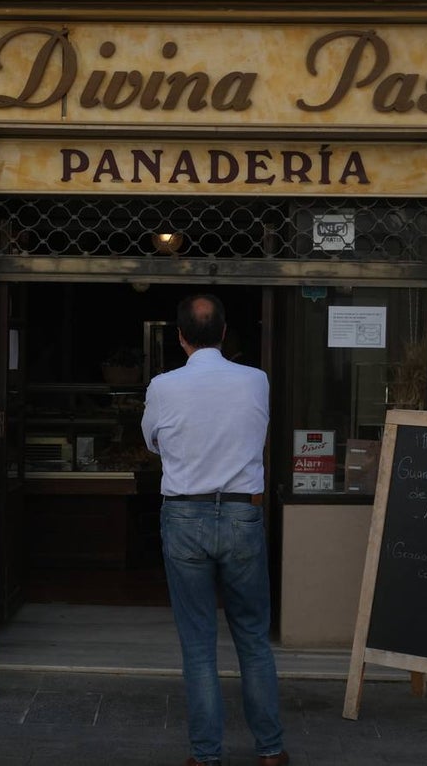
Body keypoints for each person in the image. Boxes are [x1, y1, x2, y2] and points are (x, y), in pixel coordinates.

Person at [141, 294, 288, 766]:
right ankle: (270, 749)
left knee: (199, 642)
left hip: (185, 515)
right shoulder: (256, 381)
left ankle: (206, 755)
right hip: (243, 515)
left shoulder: (163, 386)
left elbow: (152, 441)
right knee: (252, 636)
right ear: (224, 333)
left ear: (179, 336)